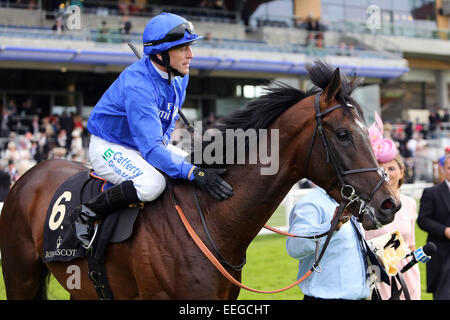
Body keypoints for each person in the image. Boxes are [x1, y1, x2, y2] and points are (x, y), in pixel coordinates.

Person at [72, 12, 233, 248]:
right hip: (111, 145)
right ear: (161, 55)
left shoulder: (179, 76)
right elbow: (152, 149)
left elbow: (163, 129)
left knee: (201, 163)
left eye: (190, 47)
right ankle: (88, 212)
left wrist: (190, 166)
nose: (191, 55)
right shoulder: (138, 87)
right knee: (152, 184)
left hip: (148, 144)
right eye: (183, 49)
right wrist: (193, 174)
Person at [364, 113, 421, 300]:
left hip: (407, 271)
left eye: (391, 168)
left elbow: (411, 245)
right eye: (382, 168)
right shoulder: (365, 205)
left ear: (401, 172)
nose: (387, 173)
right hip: (377, 272)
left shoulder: (410, 204)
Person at [286, 186, 374, 300]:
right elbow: (294, 247)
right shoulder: (311, 203)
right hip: (324, 297)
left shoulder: (352, 199)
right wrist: (331, 227)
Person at [417, 154, 450, 300]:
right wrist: (445, 231)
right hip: (441, 254)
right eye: (449, 167)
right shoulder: (432, 193)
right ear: (443, 169)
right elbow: (423, 220)